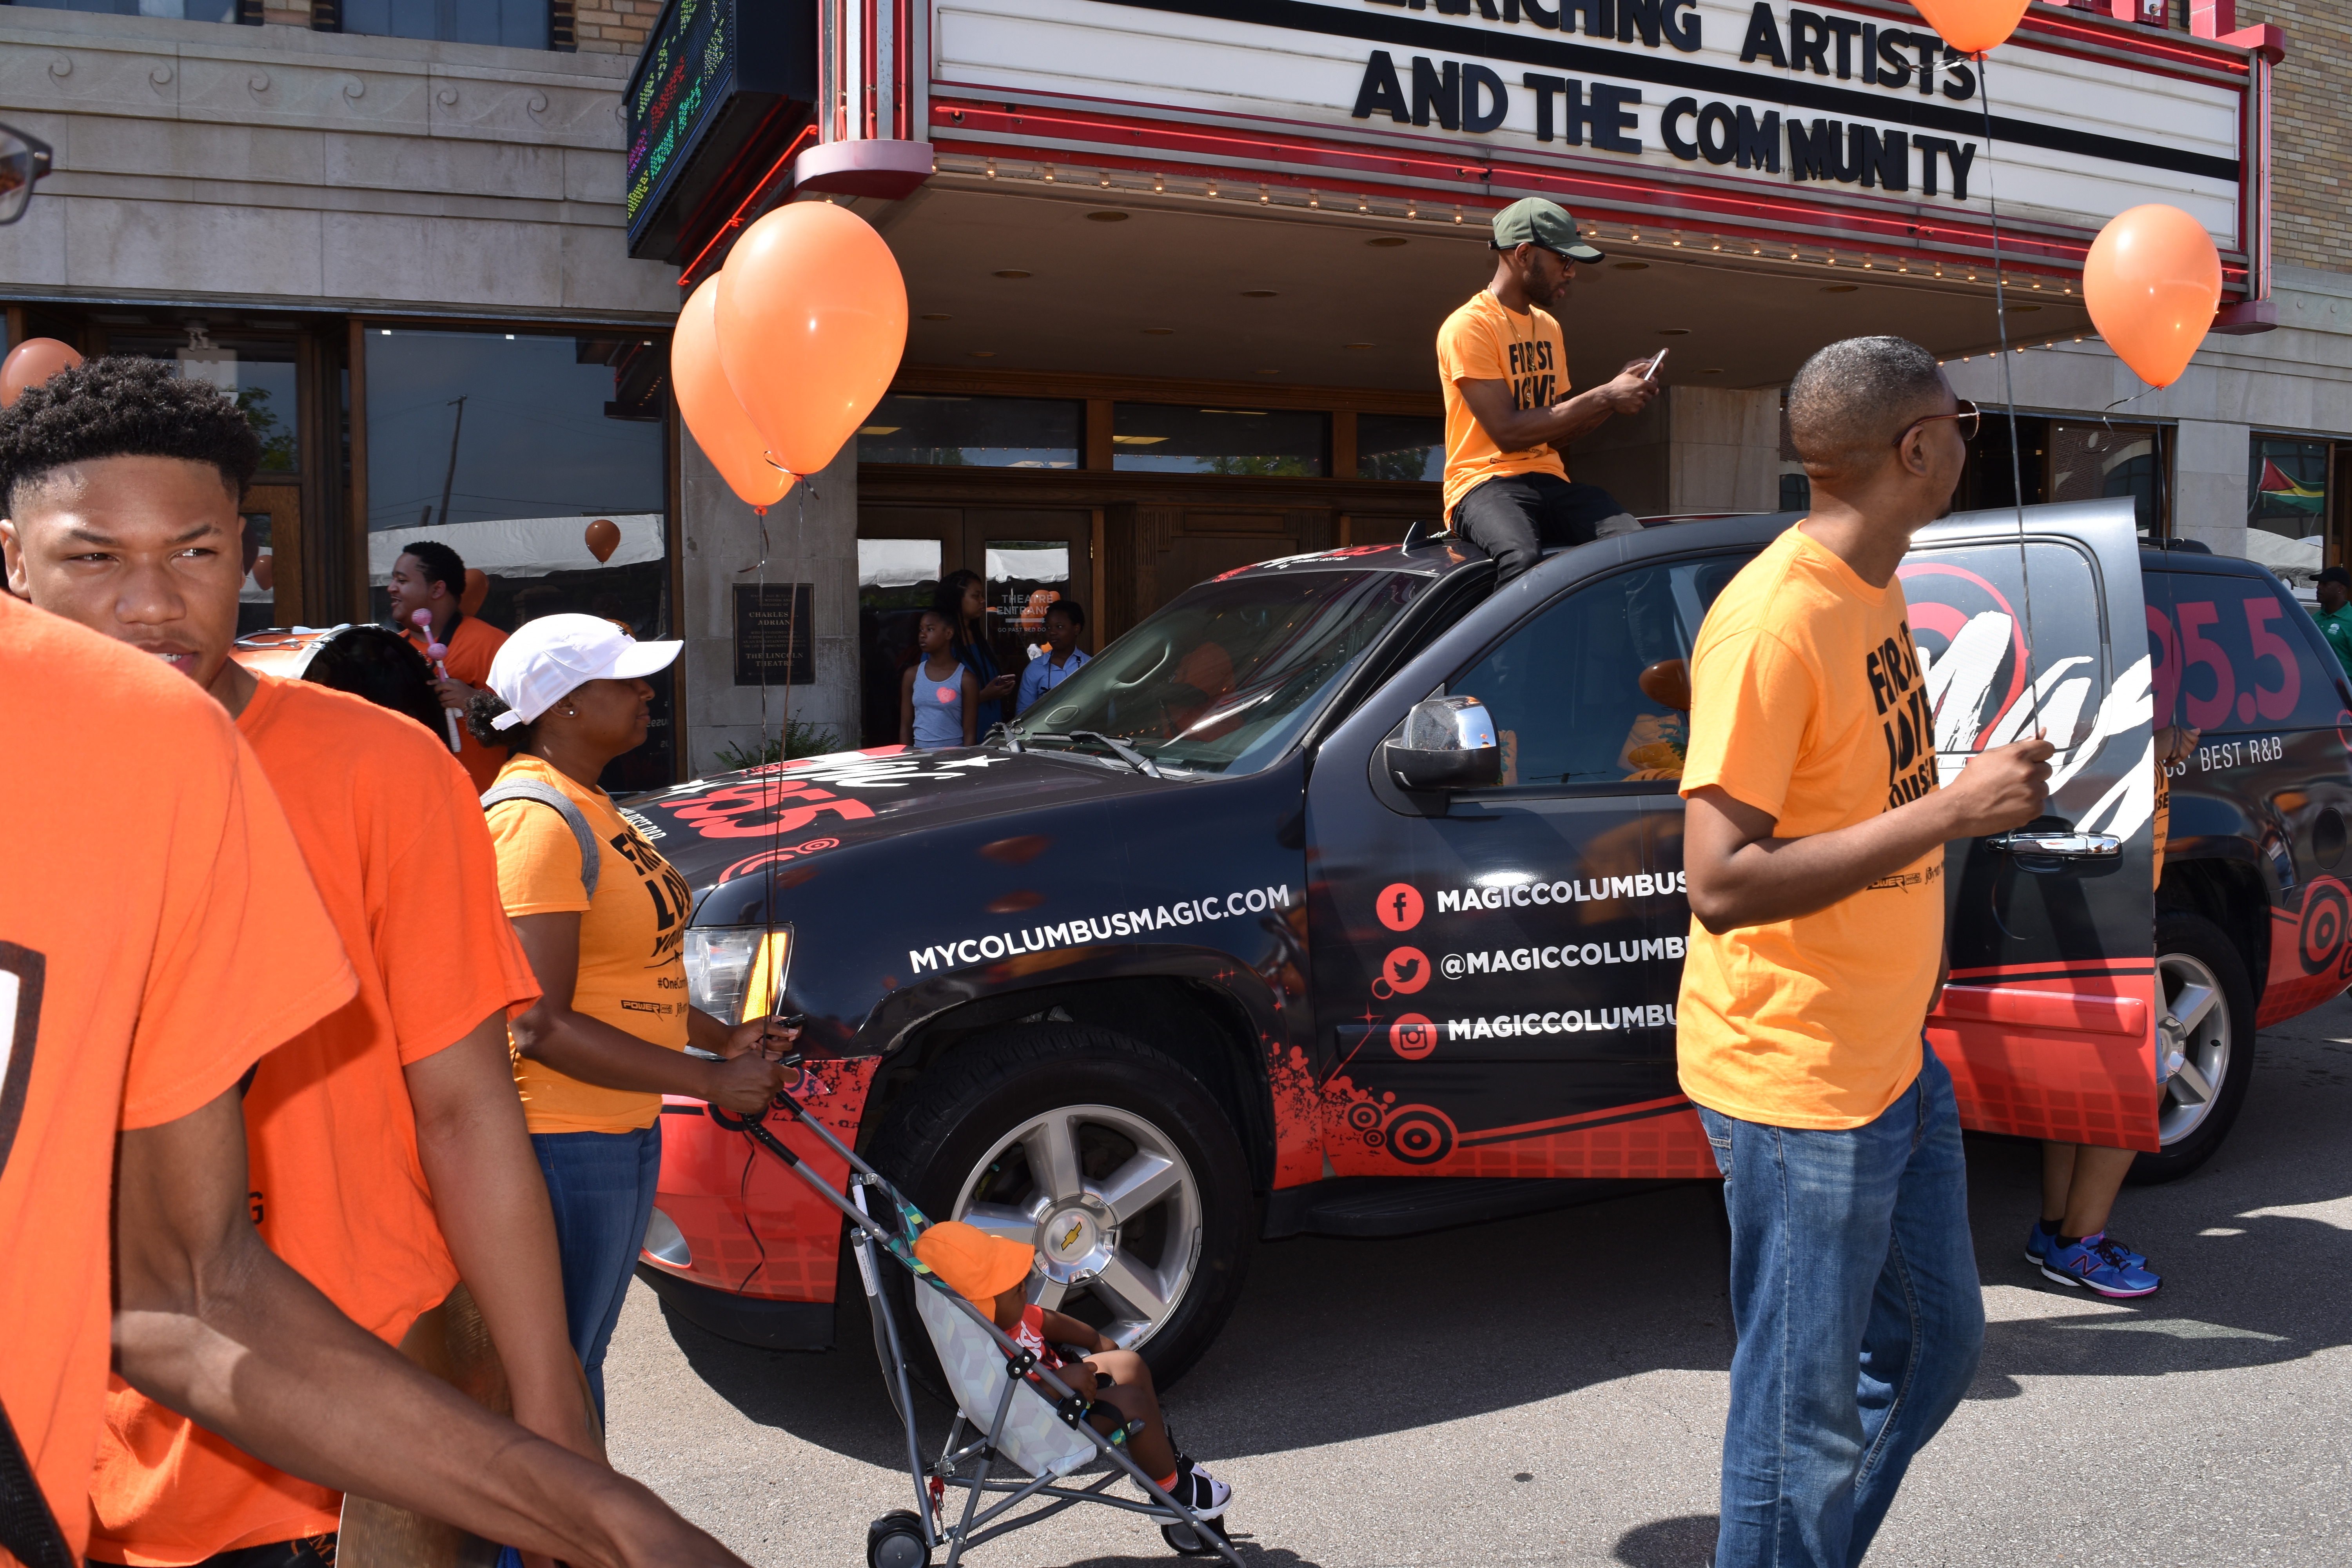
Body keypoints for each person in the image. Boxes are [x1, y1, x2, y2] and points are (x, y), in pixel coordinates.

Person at [0, 474, 746, 1568]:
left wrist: (566, 1453)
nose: (152, 603)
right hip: (82, 1468)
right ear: (16, 559)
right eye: (97, 557)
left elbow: (201, 1282)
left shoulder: (385, 776)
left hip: (359, 1419)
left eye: (196, 554)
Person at [1677, 336, 2057, 1568]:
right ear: (1911, 449)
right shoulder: (1776, 618)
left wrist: (1976, 795)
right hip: (1799, 1085)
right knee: (1799, 1419)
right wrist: (1950, 811)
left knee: (1936, 1347)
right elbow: (1719, 880)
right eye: (1962, 418)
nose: (1967, 437)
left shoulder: (1872, 583)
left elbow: (1850, 802)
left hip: (1889, 1056)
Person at [471, 614, 801, 1419]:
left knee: (577, 1362)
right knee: (558, 1375)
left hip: (617, 1126)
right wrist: (713, 1080)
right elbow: (536, 1022)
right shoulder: (534, 822)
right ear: (564, 707)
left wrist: (722, 1036)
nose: (647, 692)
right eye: (625, 679)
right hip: (563, 1139)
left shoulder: (588, 805)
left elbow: (629, 972)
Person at [2026, 718, 2196, 1300]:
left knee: (2078, 1083)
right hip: (2104, 903)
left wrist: (2159, 744)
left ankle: (2055, 1232)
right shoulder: (2107, 690)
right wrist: (2150, 742)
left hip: (2085, 894)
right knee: (2141, 1078)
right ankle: (2080, 1244)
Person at [912, 1221, 1231, 1519]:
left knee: (1130, 1364)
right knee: (1135, 1404)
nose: (1025, 1291)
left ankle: (1159, 1461)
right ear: (983, 1309)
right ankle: (1171, 1489)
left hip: (1069, 1395)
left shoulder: (1008, 1320)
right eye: (1015, 1291)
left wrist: (1093, 1339)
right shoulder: (994, 1349)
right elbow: (1011, 1402)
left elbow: (1048, 1320)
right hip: (1050, 1423)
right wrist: (1060, 1384)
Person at [1436, 197, 1662, 583]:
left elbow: (1555, 431)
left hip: (1547, 478)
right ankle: (1503, 647)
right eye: (1564, 260)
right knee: (1521, 560)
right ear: (1524, 254)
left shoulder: (1548, 327)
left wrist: (1615, 400)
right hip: (1482, 484)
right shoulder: (1468, 327)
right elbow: (1508, 433)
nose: (1571, 273)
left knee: (1636, 553)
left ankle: (1636, 647)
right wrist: (1605, 395)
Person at [389, 537, 511, 792]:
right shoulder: (389, 650)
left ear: (437, 590)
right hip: (409, 801)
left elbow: (538, 724)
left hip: (483, 807)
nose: (391, 588)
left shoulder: (493, 645)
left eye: (402, 581)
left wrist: (475, 701)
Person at [938, 568, 1018, 734]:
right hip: (959, 738)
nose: (983, 601)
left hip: (990, 732)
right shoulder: (942, 642)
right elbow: (937, 699)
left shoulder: (978, 637)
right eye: (976, 596)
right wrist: (984, 696)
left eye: (982, 595)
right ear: (956, 600)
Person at [903, 605, 978, 750]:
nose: (923, 635)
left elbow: (970, 733)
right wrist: (906, 759)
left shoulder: (966, 679)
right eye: (921, 630)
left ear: (949, 633)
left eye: (930, 629)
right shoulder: (912, 675)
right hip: (919, 757)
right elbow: (906, 726)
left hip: (953, 759)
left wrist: (965, 764)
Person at [1016, 599, 1090, 715]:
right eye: (1048, 628)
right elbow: (1023, 714)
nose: (1052, 633)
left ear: (1076, 629)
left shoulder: (1091, 666)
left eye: (1059, 627)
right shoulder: (1035, 668)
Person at [2313, 564, 2352, 679]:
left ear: (2341, 589)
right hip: (2319, 690)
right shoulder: (2314, 619)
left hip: (2345, 693)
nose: (2319, 587)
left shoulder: (2350, 621)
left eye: (2325, 584)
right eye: (2319, 583)